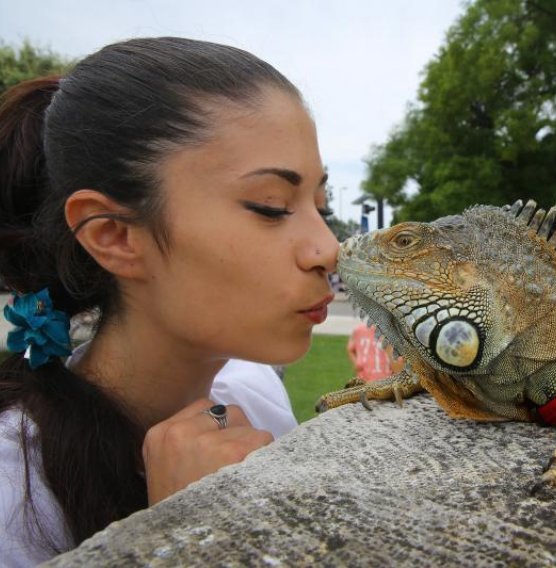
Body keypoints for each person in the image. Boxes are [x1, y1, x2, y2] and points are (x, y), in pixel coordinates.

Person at [0, 37, 339, 565]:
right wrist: (179, 540)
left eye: (319, 205)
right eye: (271, 206)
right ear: (114, 235)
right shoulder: (13, 492)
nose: (328, 250)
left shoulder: (252, 395)